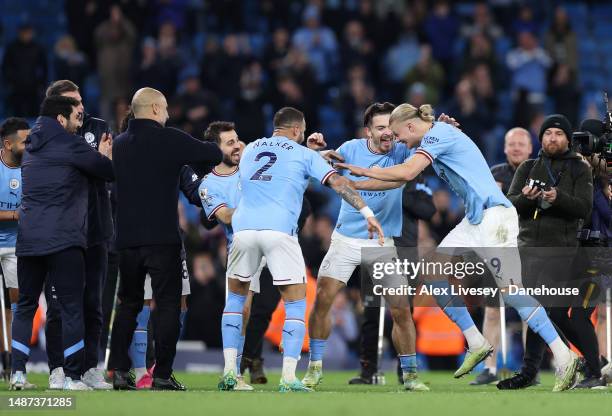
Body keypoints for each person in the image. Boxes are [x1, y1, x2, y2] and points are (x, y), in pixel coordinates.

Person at [337, 103, 581, 392]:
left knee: (512, 292)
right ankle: (476, 342)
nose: (399, 142)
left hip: (494, 217)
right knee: (432, 270)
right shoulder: (434, 137)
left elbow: (405, 173)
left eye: (400, 136)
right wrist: (353, 182)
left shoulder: (439, 135)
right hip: (476, 219)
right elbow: (394, 184)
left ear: (411, 127)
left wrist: (358, 168)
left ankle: (565, 357)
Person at [218, 107, 383, 392]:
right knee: (295, 302)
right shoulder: (302, 154)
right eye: (303, 131)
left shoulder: (251, 148)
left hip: (243, 230)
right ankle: (289, 378)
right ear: (297, 130)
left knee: (235, 301)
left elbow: (275, 170)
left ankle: (230, 373)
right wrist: (367, 212)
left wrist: (312, 156)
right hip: (279, 231)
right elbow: (338, 182)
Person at [303, 102, 429, 391]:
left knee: (400, 310)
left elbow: (426, 141)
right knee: (323, 299)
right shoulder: (350, 148)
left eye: (391, 127)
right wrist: (315, 151)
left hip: (382, 244)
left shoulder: (402, 149)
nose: (388, 133)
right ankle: (314, 368)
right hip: (346, 238)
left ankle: (410, 375)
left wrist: (440, 125)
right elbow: (319, 170)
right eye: (381, 127)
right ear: (368, 131)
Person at [108, 87, 222, 391]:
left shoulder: (118, 145)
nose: (169, 114)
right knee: (169, 305)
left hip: (127, 240)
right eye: (167, 109)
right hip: (162, 239)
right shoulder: (170, 139)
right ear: (156, 110)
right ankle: (162, 374)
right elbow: (212, 153)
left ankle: (120, 372)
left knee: (128, 305)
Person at [10, 95, 114, 391]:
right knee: (71, 307)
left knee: (26, 305)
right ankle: (71, 377)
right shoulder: (72, 145)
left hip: (29, 239)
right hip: (64, 240)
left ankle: (18, 374)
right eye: (76, 116)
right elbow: (108, 172)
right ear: (60, 118)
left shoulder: (29, 145)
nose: (79, 123)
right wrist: (105, 155)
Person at [499, 115, 601, 389]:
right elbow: (509, 204)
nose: (552, 138)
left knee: (545, 311)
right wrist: (526, 198)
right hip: (528, 248)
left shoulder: (579, 168)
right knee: (536, 313)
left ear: (568, 139)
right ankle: (583, 365)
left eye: (558, 133)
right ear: (540, 138)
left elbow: (584, 208)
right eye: (548, 133)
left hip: (562, 251)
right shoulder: (529, 166)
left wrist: (558, 198)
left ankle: (579, 365)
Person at [44, 79, 114, 390]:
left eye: (81, 99)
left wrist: (98, 163)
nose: (81, 107)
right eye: (74, 101)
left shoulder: (99, 127)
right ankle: (57, 368)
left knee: (93, 303)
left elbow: (107, 171)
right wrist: (96, 162)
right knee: (59, 304)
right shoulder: (46, 134)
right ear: (59, 109)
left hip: (96, 227)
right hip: (59, 230)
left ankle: (89, 368)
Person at [471, 127, 532, 385]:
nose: (517, 147)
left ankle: (532, 368)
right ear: (505, 148)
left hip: (529, 249)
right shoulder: (495, 173)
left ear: (530, 148)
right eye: (512, 143)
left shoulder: (539, 172)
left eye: (521, 143)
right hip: (497, 249)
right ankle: (490, 367)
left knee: (529, 312)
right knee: (493, 310)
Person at [0, 118, 29, 382]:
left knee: (16, 304)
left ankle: (14, 363)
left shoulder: (30, 168)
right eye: (24, 141)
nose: (29, 145)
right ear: (8, 144)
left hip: (15, 247)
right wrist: (14, 215)